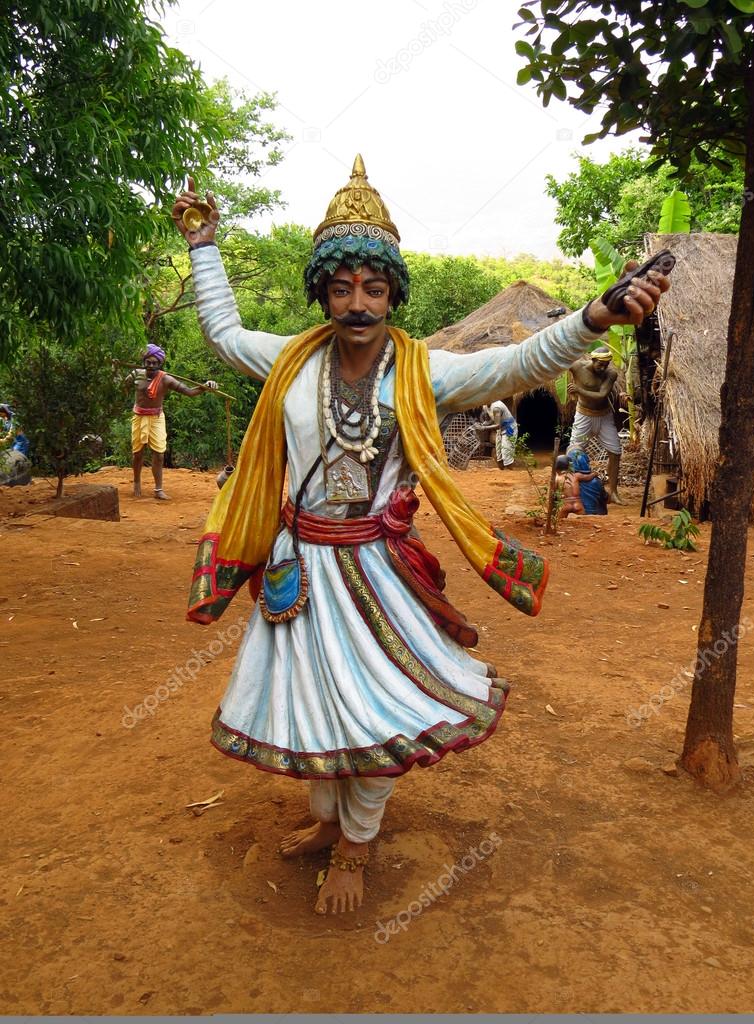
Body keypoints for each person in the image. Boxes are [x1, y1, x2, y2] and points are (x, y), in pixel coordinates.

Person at [172, 157, 668, 915]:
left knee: (377, 706)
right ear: (323, 291)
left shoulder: (421, 372)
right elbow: (220, 331)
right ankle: (326, 820)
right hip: (296, 568)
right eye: (342, 288)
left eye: (374, 288)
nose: (358, 304)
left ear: (393, 292)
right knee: (310, 696)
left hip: (374, 570)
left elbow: (517, 361)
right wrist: (204, 244)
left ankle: (356, 847)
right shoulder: (289, 361)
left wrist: (595, 316)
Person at [124, 345, 218, 500]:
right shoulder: (136, 374)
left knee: (159, 454)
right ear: (144, 361)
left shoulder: (166, 379)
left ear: (160, 363)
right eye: (149, 362)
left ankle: (158, 489)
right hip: (138, 417)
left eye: (155, 363)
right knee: (137, 453)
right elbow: (122, 387)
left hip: (156, 418)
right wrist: (117, 375)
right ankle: (136, 481)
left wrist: (205, 387)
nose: (152, 366)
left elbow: (189, 392)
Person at [568, 346, 623, 503]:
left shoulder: (610, 374)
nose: (603, 368)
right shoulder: (578, 367)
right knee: (574, 453)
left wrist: (579, 390)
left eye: (606, 364)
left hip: (604, 416)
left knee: (615, 452)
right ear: (592, 360)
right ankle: (571, 490)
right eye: (600, 364)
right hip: (583, 415)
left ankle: (612, 491)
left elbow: (601, 395)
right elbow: (558, 362)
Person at [476, 399, 518, 468]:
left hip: (509, 428)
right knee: (499, 457)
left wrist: (483, 428)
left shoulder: (496, 407)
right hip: (500, 429)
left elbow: (497, 425)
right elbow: (489, 421)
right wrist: (482, 425)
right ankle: (502, 474)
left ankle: (511, 473)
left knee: (506, 453)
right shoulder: (485, 406)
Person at [568, 447, 608, 516]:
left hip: (576, 513)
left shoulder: (566, 481)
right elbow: (606, 498)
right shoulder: (596, 481)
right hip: (596, 513)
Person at [0, 404, 32, 487]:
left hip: (21, 442)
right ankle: (17, 481)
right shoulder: (5, 419)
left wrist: (2, 441)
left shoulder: (14, 419)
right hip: (14, 443)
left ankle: (25, 481)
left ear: (4, 412)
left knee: (19, 462)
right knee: (13, 461)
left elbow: (11, 434)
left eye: (1, 413)